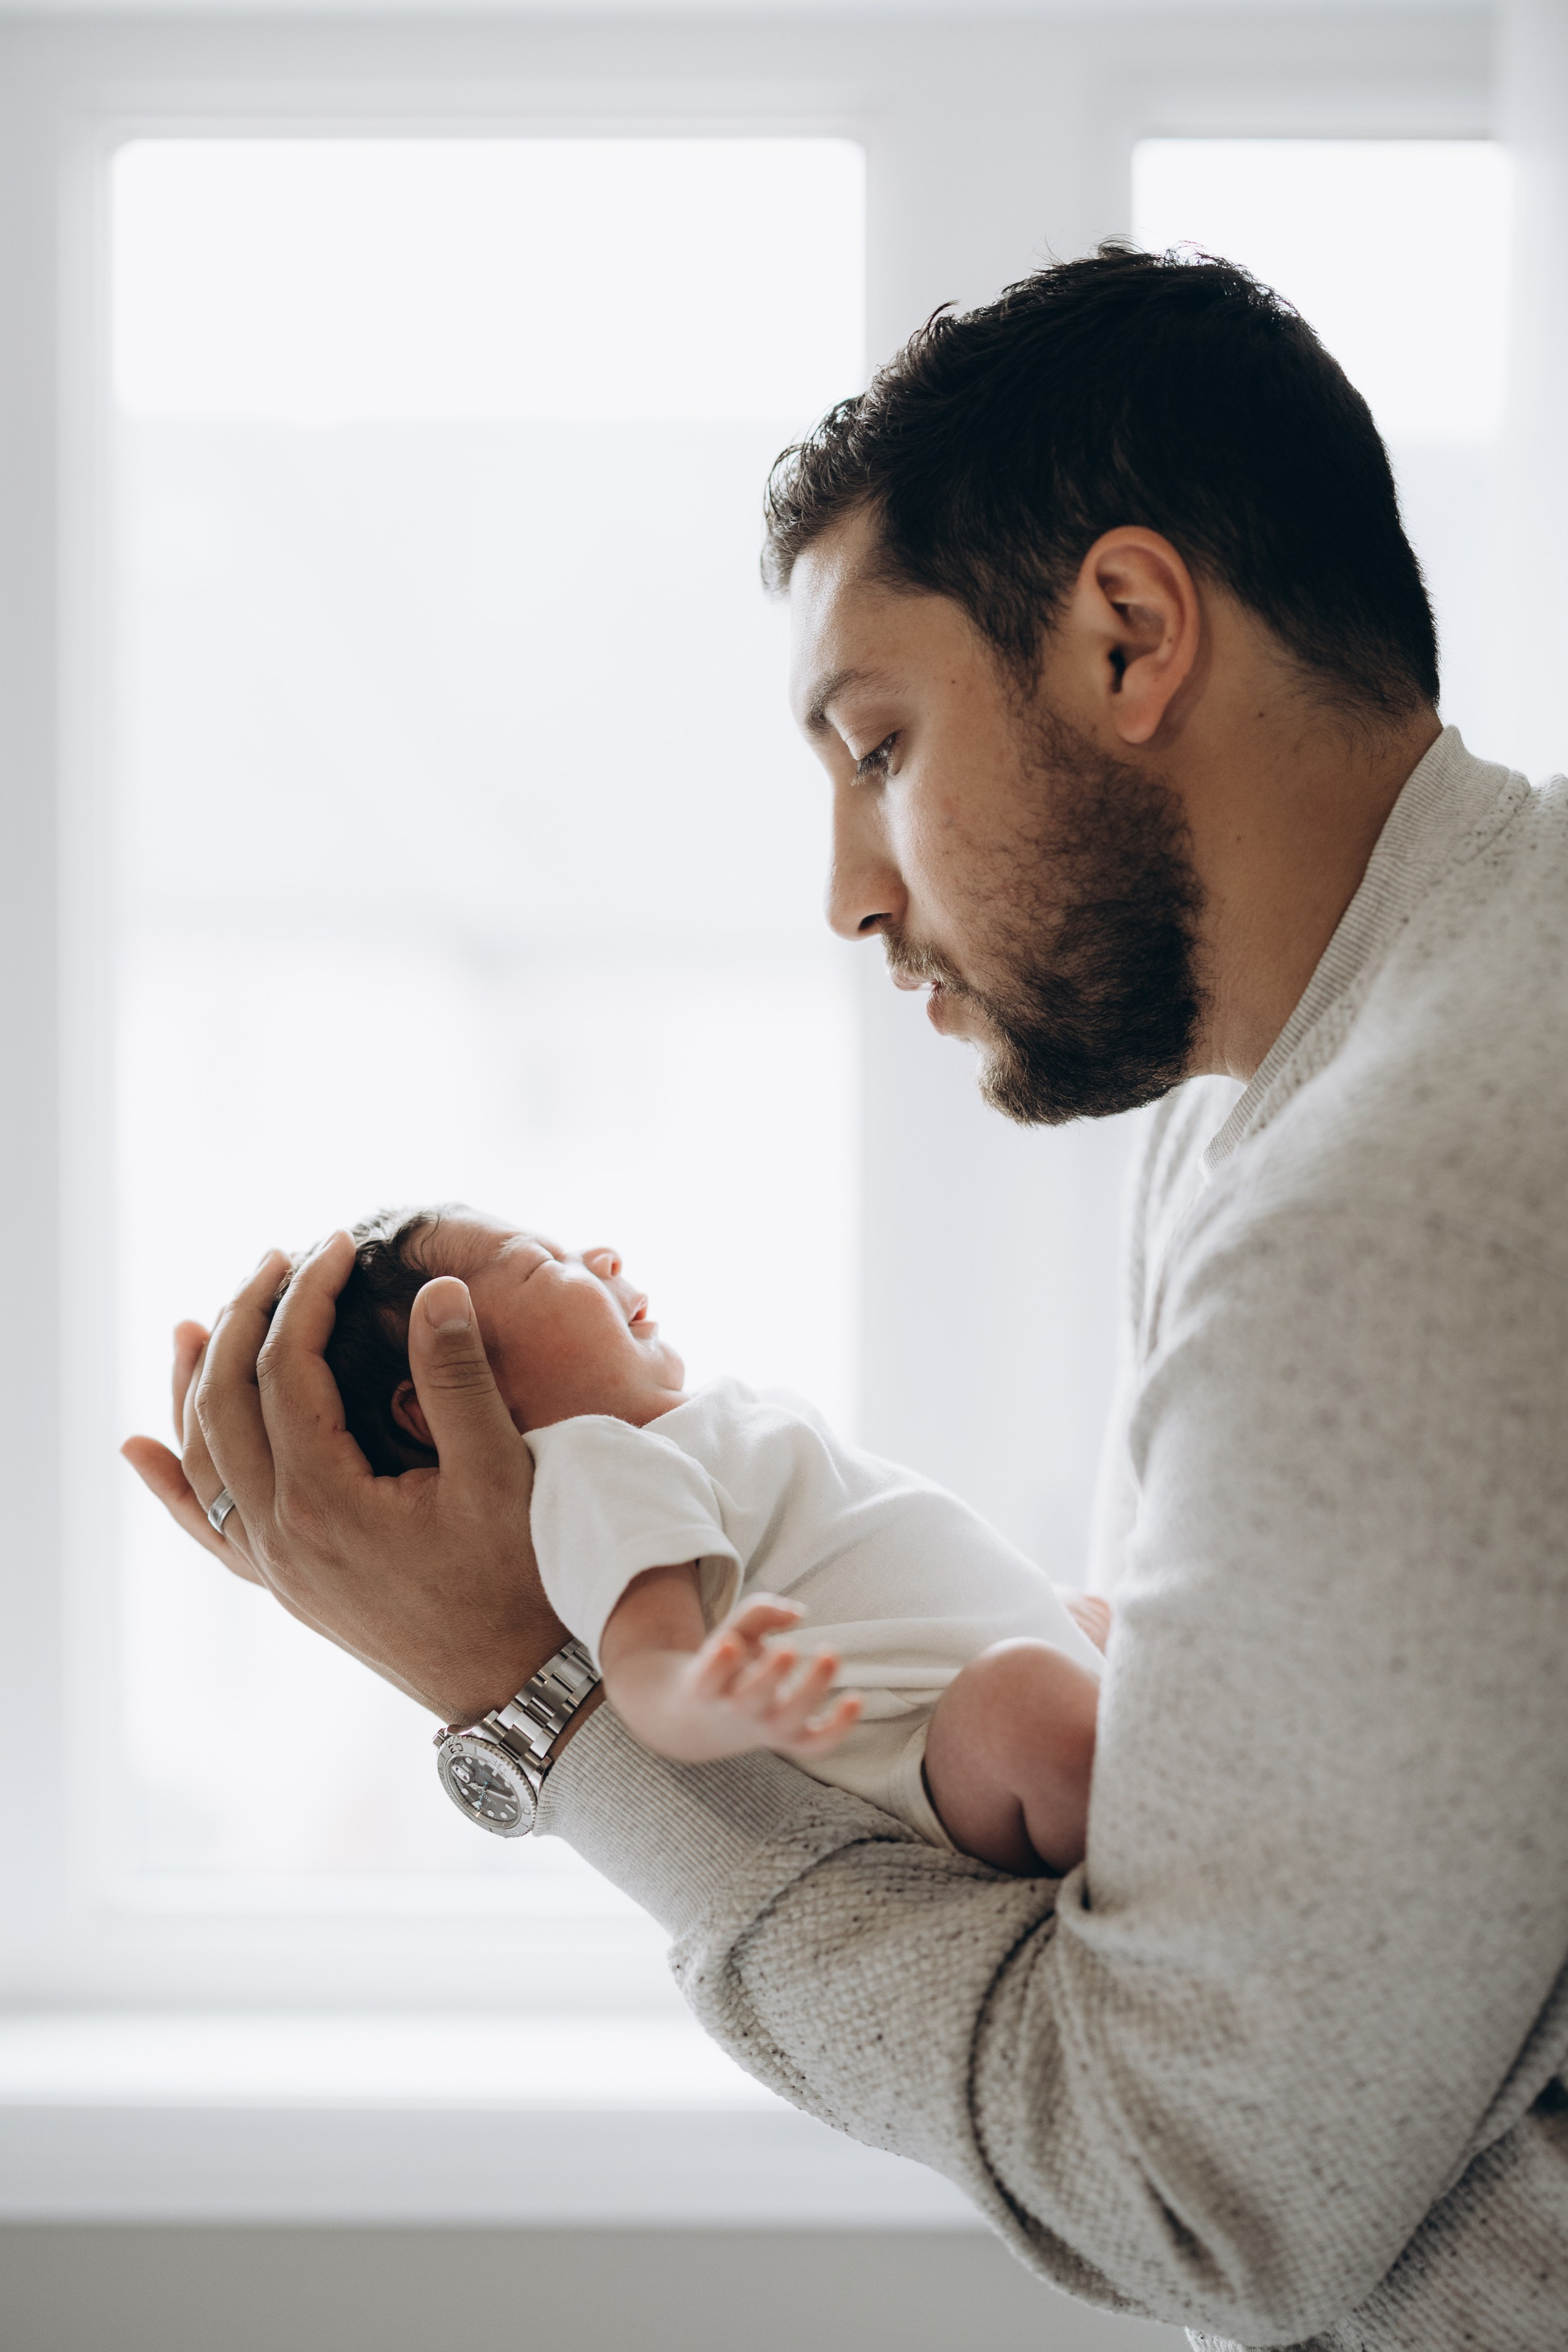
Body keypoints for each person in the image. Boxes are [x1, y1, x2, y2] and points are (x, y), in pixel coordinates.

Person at [123, 246, 1568, 2351]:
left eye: (875, 743)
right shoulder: (1309, 1066)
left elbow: (1204, 2195)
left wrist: (538, 1709)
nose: (846, 890)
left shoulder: (1388, 1199)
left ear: (1130, 634)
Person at [314, 1202, 1106, 1874]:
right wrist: (709, 1702)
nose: (598, 1256)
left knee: (1089, 1623)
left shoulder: (680, 1432)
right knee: (1026, 1704)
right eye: (538, 1265)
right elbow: (645, 1666)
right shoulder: (595, 1465)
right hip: (942, 1745)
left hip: (993, 1672)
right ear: (442, 1402)